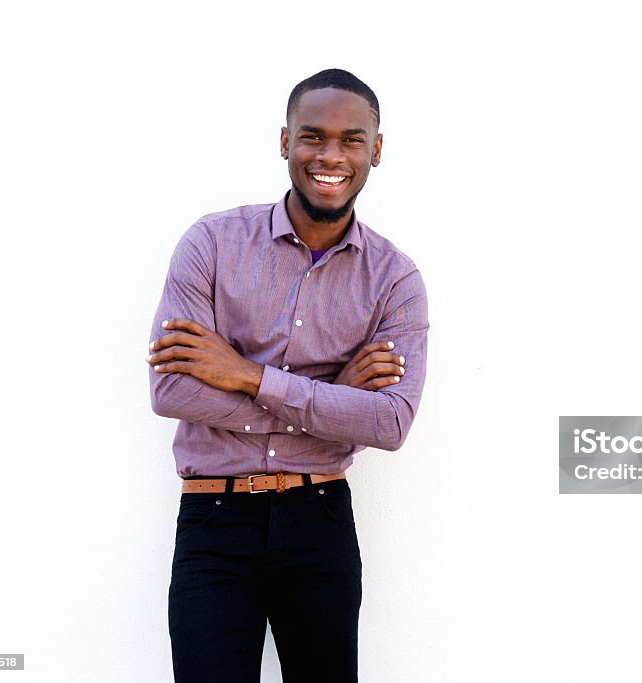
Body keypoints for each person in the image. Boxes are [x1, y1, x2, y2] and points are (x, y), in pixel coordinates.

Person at [146, 68, 428, 682]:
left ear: (376, 150)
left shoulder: (395, 279)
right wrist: (332, 397)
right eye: (313, 136)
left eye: (352, 139)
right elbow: (172, 390)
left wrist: (245, 374)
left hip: (318, 518)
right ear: (285, 142)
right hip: (214, 523)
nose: (330, 156)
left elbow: (391, 421)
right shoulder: (212, 244)